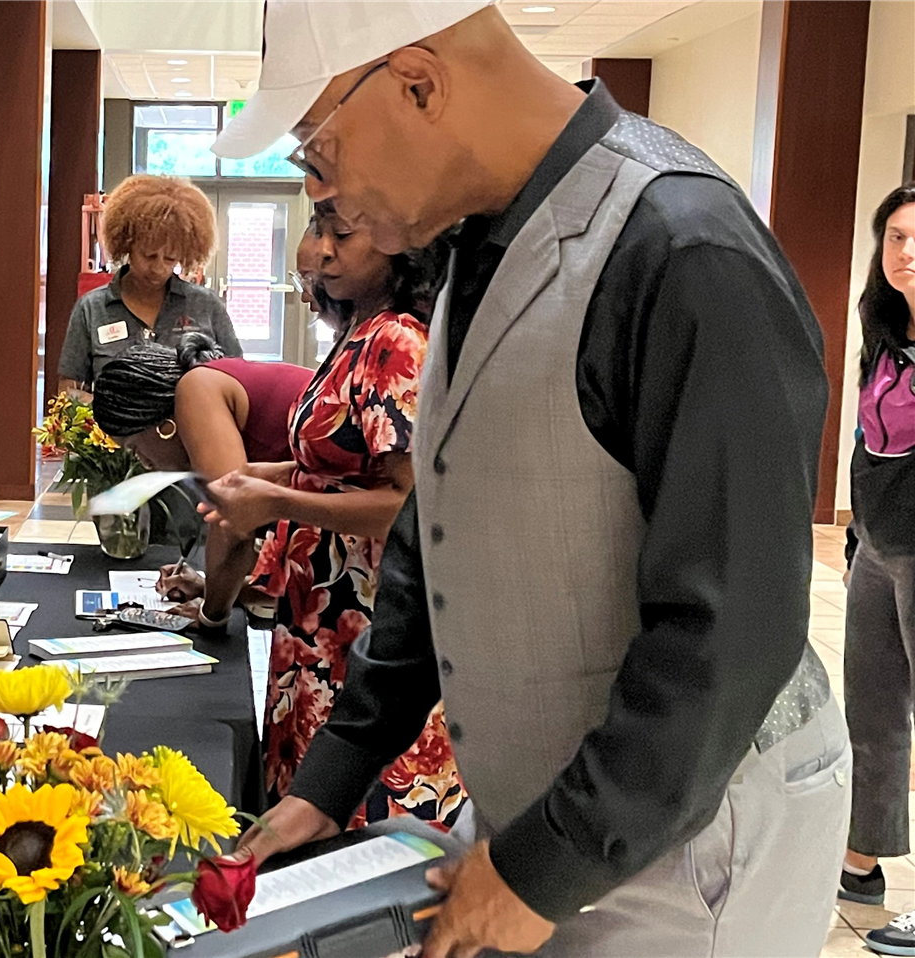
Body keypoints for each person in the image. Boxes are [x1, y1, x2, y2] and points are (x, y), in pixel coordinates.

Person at [209, 2, 845, 955]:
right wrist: (330, 778)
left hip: (691, 836)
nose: (323, 196)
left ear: (418, 83)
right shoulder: (478, 245)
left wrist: (546, 865)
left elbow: (733, 626)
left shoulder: (680, 248)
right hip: (551, 814)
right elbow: (442, 529)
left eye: (316, 153)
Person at [195, 206, 459, 828]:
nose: (322, 253)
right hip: (318, 618)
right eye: (319, 234)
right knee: (304, 812)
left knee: (355, 823)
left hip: (367, 617)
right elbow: (342, 471)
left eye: (342, 235)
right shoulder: (356, 335)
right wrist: (270, 477)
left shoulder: (396, 341)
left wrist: (281, 501)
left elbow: (412, 505)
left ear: (398, 242)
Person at [91, 332, 311, 630]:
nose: (143, 462)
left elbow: (233, 528)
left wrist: (210, 615)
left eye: (135, 448)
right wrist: (209, 587)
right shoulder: (216, 382)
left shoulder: (195, 390)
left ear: (163, 427)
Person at [837, 184, 915, 957]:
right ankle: (862, 861)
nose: (907, 253)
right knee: (875, 713)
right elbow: (871, 441)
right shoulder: (884, 335)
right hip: (880, 547)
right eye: (895, 236)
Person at [58, 174, 242, 396]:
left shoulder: (205, 305)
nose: (158, 269)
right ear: (127, 244)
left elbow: (239, 379)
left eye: (170, 259)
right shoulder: (91, 309)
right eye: (149, 256)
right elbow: (70, 389)